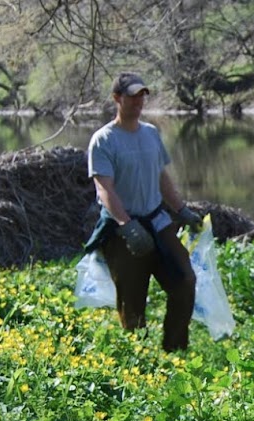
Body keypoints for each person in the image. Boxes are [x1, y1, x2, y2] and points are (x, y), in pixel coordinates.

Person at [84, 72, 204, 351]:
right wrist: (127, 225)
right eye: (132, 96)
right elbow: (105, 189)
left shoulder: (150, 133)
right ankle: (137, 356)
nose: (138, 101)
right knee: (132, 299)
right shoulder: (104, 140)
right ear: (117, 98)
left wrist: (181, 209)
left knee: (185, 281)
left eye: (142, 95)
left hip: (158, 222)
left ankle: (174, 349)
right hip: (123, 230)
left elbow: (161, 176)